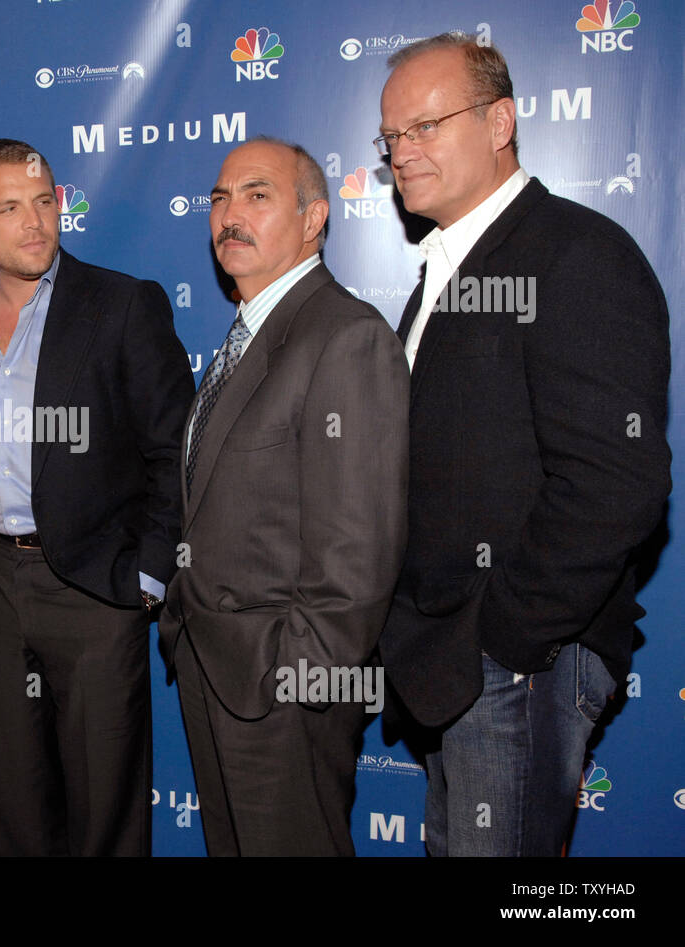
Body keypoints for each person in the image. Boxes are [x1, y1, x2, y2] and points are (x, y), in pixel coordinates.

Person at [376, 34, 671, 856]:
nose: (403, 153)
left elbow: (618, 480)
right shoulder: (445, 267)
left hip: (516, 665)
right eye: (392, 138)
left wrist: (504, 639)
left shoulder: (575, 254)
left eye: (426, 127)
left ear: (500, 121)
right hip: (450, 662)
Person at [0, 138, 193, 856]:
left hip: (91, 584)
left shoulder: (120, 304)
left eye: (46, 201)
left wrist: (145, 574)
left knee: (105, 810)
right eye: (10, 207)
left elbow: (176, 448)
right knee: (15, 805)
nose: (36, 221)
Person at [157, 138, 408, 856]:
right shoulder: (243, 337)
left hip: (281, 692)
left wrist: (290, 682)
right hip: (214, 668)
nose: (229, 215)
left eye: (257, 195)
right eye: (219, 198)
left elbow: (358, 554)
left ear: (313, 218)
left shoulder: (346, 336)